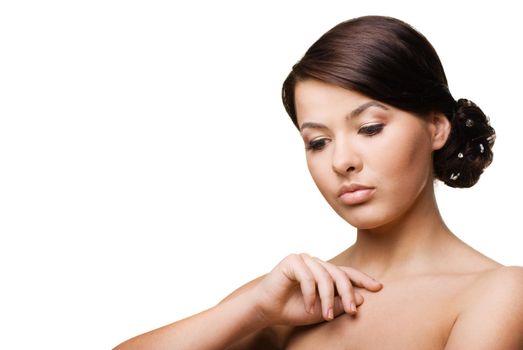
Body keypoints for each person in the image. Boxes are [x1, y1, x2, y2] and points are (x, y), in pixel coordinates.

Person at [114, 15, 523, 349]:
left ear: (436, 128)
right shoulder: (292, 296)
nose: (342, 161)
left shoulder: (498, 294)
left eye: (369, 128)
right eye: (318, 142)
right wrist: (254, 309)